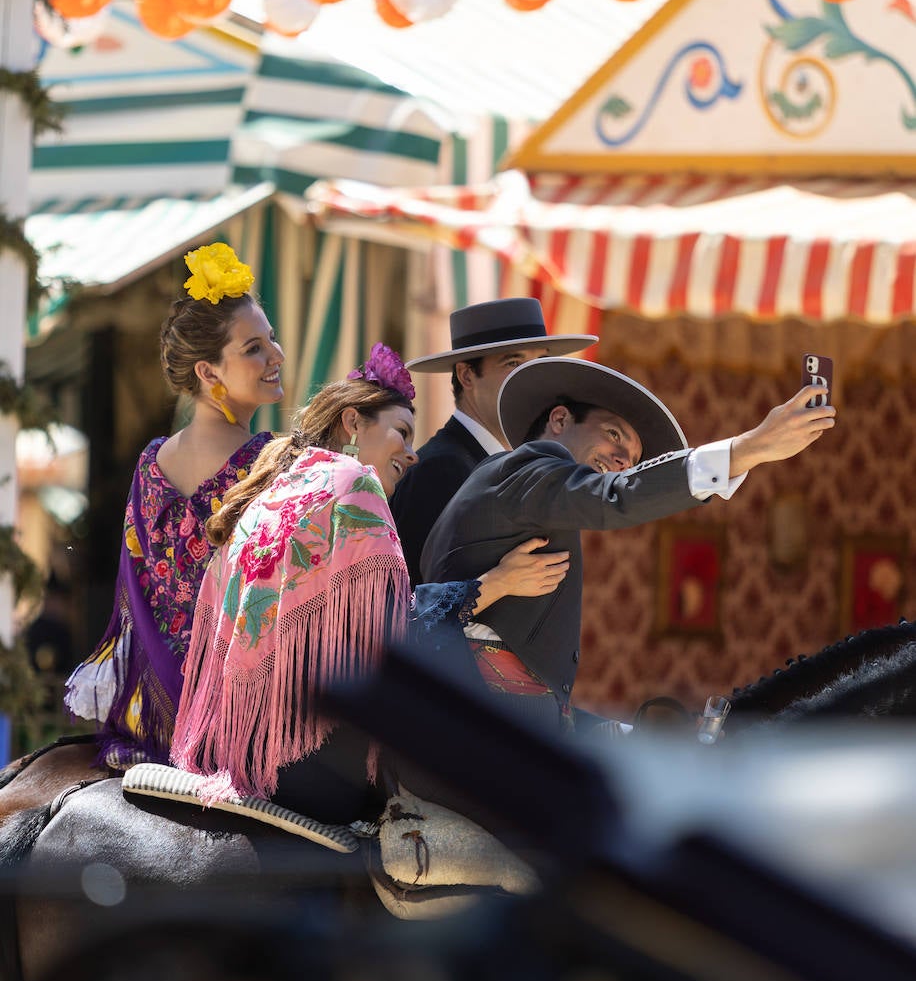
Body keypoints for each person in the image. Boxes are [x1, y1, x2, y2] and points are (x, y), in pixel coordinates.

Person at [171, 344, 569, 827]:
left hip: (232, 748)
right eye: (401, 431)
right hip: (309, 760)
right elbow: (394, 632)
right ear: (353, 422)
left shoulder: (277, 485)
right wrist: (495, 583)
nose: (413, 452)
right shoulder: (354, 482)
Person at [421, 357, 837, 730]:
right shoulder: (526, 467)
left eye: (633, 458)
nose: (623, 459)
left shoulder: (527, 493)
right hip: (476, 730)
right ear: (561, 420)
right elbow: (616, 497)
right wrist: (749, 448)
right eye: (613, 435)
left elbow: (531, 684)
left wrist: (622, 732)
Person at [65, 242, 286, 769]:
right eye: (254, 347)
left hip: (152, 716)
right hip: (235, 716)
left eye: (271, 339)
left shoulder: (149, 462)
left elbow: (135, 595)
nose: (275, 355)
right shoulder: (273, 463)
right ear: (208, 372)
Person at [391, 298, 596, 584]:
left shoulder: (505, 464)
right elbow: (414, 602)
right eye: (513, 363)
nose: (532, 379)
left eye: (539, 363)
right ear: (467, 375)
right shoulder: (440, 468)